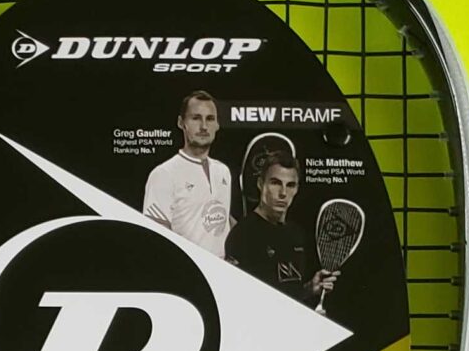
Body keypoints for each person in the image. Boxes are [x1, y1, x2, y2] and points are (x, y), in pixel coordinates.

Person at [224, 157, 336, 304]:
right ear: (260, 184)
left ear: (296, 189)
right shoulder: (242, 234)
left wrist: (310, 289)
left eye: (290, 185)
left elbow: (290, 293)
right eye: (275, 183)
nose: (283, 193)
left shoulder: (296, 234)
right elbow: (236, 298)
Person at [142, 89, 232, 256]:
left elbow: (221, 218)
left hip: (221, 269)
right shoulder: (163, 174)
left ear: (217, 125)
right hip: (185, 269)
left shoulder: (223, 171)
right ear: (181, 123)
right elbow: (156, 237)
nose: (204, 126)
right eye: (196, 118)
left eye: (210, 119)